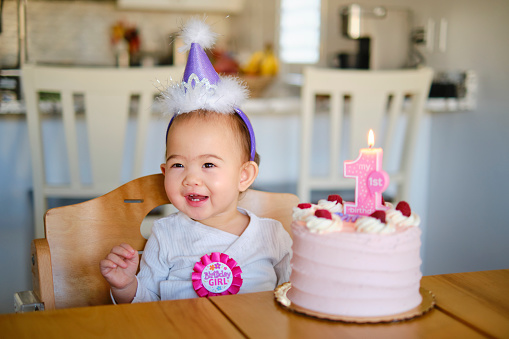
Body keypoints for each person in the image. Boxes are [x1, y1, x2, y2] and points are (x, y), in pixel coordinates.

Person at [99, 17, 292, 304]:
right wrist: (126, 285)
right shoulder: (165, 235)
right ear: (164, 171)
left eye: (209, 164)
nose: (190, 178)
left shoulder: (271, 235)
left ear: (244, 175)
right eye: (178, 165)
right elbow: (145, 303)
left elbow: (296, 294)